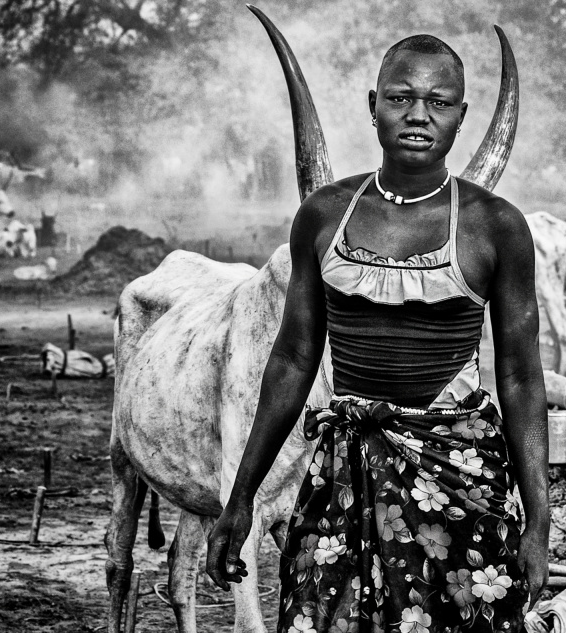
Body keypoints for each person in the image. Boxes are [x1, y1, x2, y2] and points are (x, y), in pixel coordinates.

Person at [205, 35, 548, 633]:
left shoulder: (496, 226)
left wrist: (539, 522)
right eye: (400, 97)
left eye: (439, 102)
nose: (418, 115)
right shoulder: (324, 214)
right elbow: (292, 359)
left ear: (461, 117)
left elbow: (519, 377)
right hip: (343, 474)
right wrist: (242, 501)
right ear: (373, 104)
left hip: (458, 481)